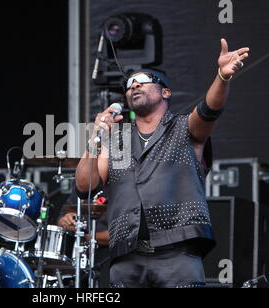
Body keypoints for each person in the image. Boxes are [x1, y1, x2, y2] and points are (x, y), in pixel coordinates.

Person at [75, 39, 250, 288]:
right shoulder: (116, 142)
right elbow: (85, 187)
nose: (134, 84)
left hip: (177, 255)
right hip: (126, 258)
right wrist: (94, 138)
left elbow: (209, 109)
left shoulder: (183, 128)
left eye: (143, 80)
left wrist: (222, 76)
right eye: (129, 84)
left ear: (165, 92)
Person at [58, 188, 110, 288]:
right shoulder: (83, 186)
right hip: (79, 257)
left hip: (109, 258)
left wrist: (87, 237)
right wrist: (65, 220)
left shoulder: (121, 188)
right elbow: (62, 216)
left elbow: (123, 234)